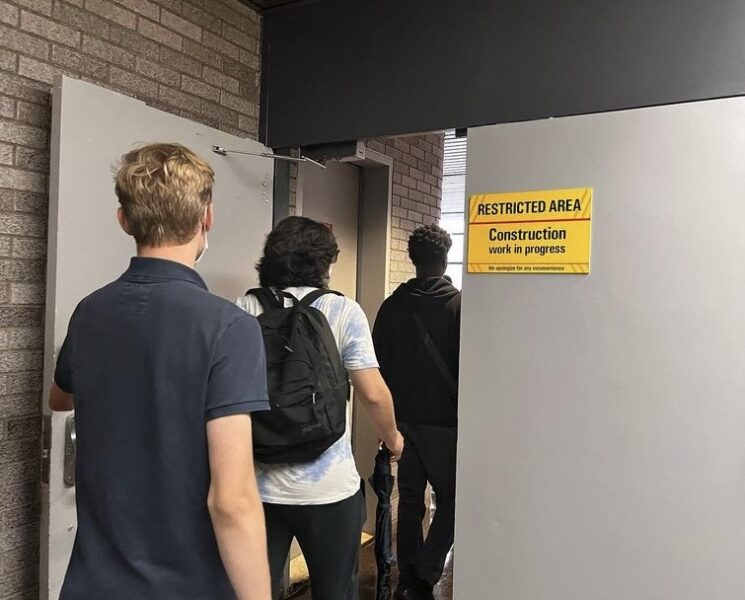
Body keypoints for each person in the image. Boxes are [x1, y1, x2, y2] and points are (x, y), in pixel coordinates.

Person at [49, 143, 272, 600]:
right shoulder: (229, 328)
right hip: (189, 588)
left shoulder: (89, 312)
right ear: (207, 217)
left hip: (91, 587)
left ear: (124, 220)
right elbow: (231, 501)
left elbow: (59, 398)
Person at [236, 216, 404, 600]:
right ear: (324, 262)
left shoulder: (246, 306)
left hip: (259, 486)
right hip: (330, 491)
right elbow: (374, 394)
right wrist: (394, 439)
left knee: (254, 591)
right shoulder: (344, 311)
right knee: (335, 592)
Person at [372, 224, 461, 600]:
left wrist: (387, 422)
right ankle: (425, 573)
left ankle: (408, 576)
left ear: (413, 260)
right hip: (445, 424)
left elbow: (376, 365)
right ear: (445, 259)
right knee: (452, 499)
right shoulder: (459, 307)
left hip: (403, 423)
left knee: (410, 500)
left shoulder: (392, 307)